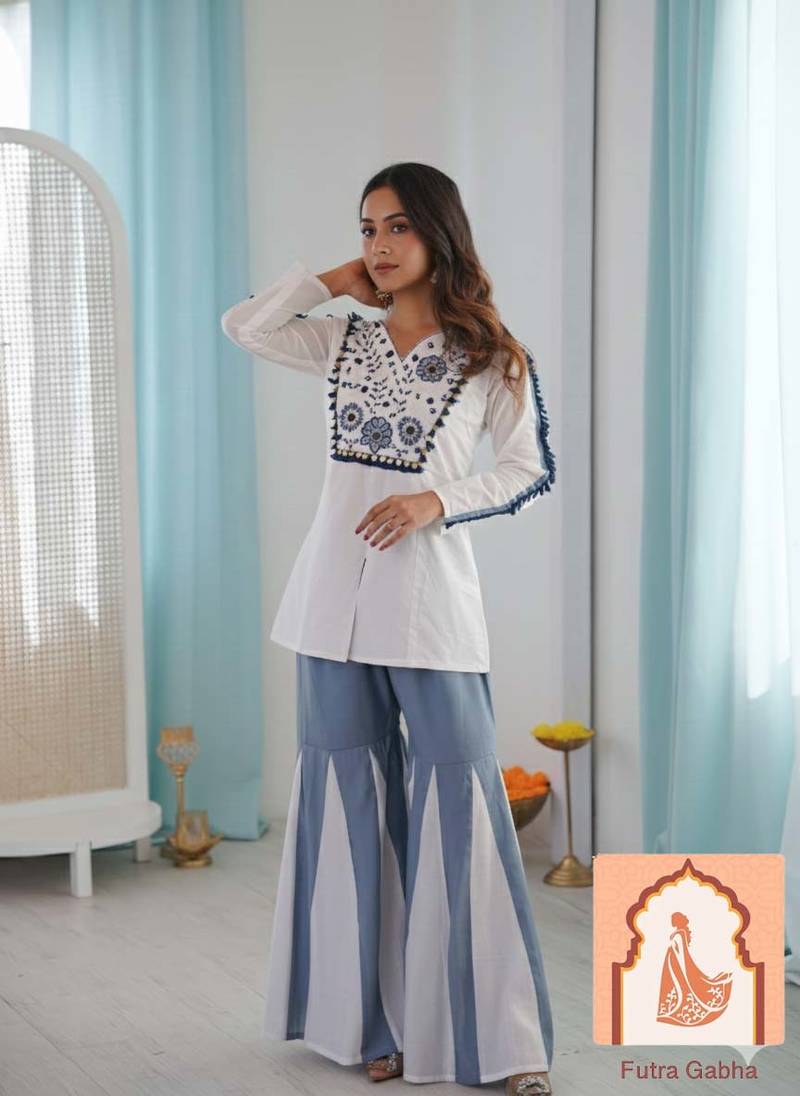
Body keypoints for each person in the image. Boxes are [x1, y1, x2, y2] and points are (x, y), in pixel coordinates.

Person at [220, 162, 557, 1095]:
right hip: (329, 608)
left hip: (431, 611)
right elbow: (244, 326)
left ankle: (501, 1042)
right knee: (350, 815)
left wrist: (433, 502)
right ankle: (373, 1024)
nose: (380, 243)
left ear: (440, 233)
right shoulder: (341, 341)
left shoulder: (492, 358)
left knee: (461, 808)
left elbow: (527, 467)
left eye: (399, 225)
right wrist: (334, 280)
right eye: (368, 228)